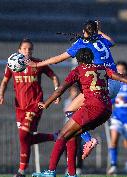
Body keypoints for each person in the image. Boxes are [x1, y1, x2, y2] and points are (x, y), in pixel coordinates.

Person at [32, 48, 127, 177]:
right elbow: (122, 77)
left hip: (92, 107)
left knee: (62, 135)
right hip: (106, 109)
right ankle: (72, 174)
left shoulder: (78, 70)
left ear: (78, 60)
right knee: (71, 136)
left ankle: (51, 171)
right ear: (91, 58)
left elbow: (61, 89)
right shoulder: (102, 68)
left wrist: (46, 103)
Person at [27, 20, 121, 159]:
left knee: (70, 111)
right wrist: (99, 31)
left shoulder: (81, 44)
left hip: (102, 83)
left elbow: (58, 58)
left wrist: (37, 64)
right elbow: (112, 42)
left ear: (84, 31)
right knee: (83, 114)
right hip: (114, 84)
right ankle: (81, 146)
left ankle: (88, 140)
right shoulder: (101, 39)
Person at [0, 39, 60, 177]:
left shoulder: (37, 64)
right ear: (19, 50)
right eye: (24, 49)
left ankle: (21, 171)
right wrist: (1, 94)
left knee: (23, 135)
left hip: (35, 104)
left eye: (30, 49)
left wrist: (56, 92)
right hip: (20, 107)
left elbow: (54, 76)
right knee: (25, 139)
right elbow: (5, 81)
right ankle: (54, 136)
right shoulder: (12, 64)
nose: (27, 51)